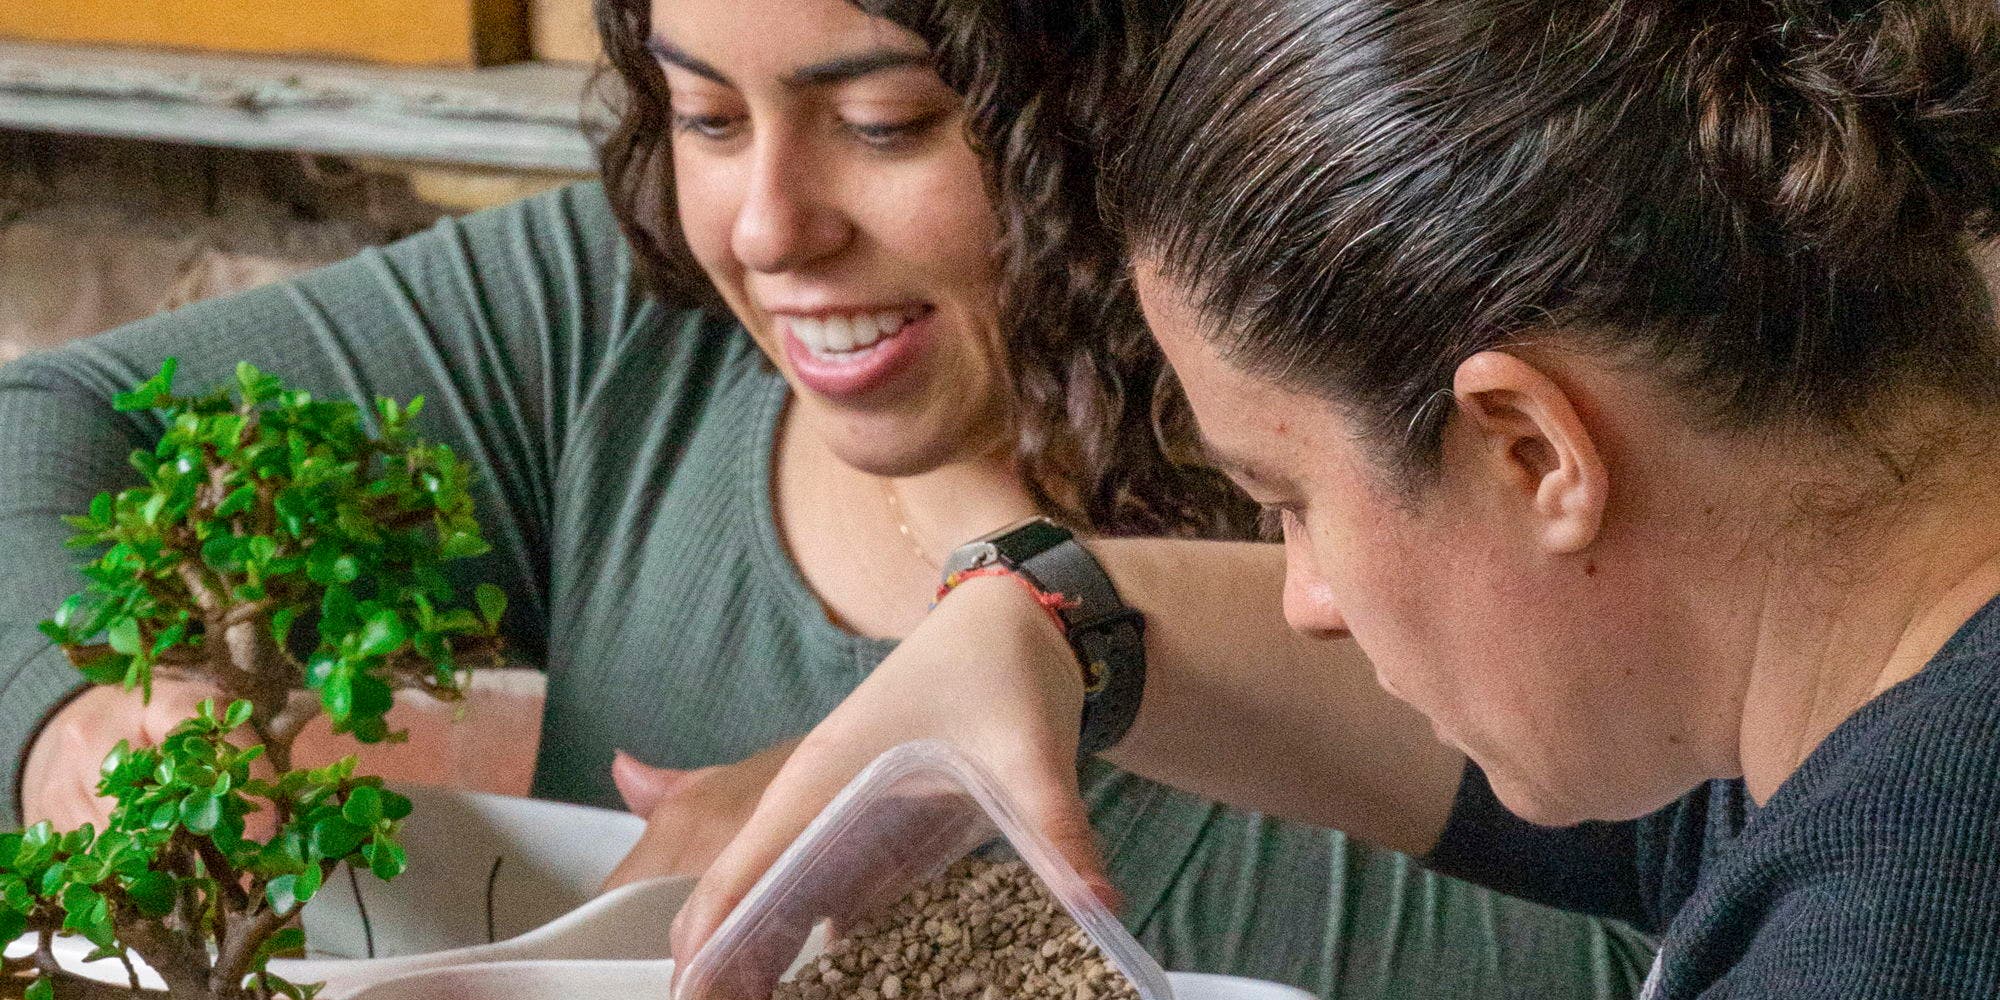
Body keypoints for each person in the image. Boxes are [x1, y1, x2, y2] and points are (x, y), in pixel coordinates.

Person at [0, 0, 1652, 997]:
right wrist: (79, 724)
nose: (771, 225)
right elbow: (46, 426)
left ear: (1118, 94)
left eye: (885, 121)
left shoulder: (1434, 475)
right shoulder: (613, 317)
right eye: (703, 112)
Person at [673, 0, 2000, 996]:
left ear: (1534, 452)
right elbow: (1673, 812)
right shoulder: (1873, 699)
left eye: (1290, 496)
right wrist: (1042, 612)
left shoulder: (1896, 938)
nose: (1305, 599)